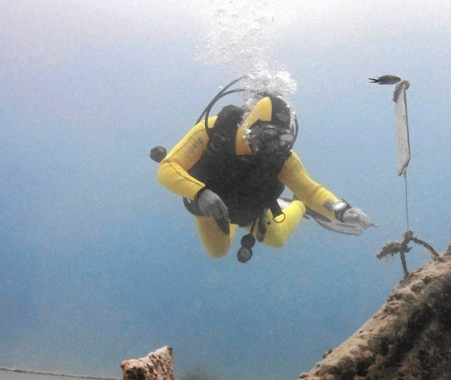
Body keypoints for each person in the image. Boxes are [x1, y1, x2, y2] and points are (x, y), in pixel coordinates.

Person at [157, 93, 373, 262]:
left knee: (277, 239)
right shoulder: (214, 131)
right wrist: (200, 193)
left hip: (248, 206)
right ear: (251, 125)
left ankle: (299, 206)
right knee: (218, 251)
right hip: (208, 205)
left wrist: (341, 210)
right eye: (268, 135)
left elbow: (311, 190)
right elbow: (168, 168)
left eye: (283, 138)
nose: (273, 146)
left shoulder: (282, 158)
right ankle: (225, 215)